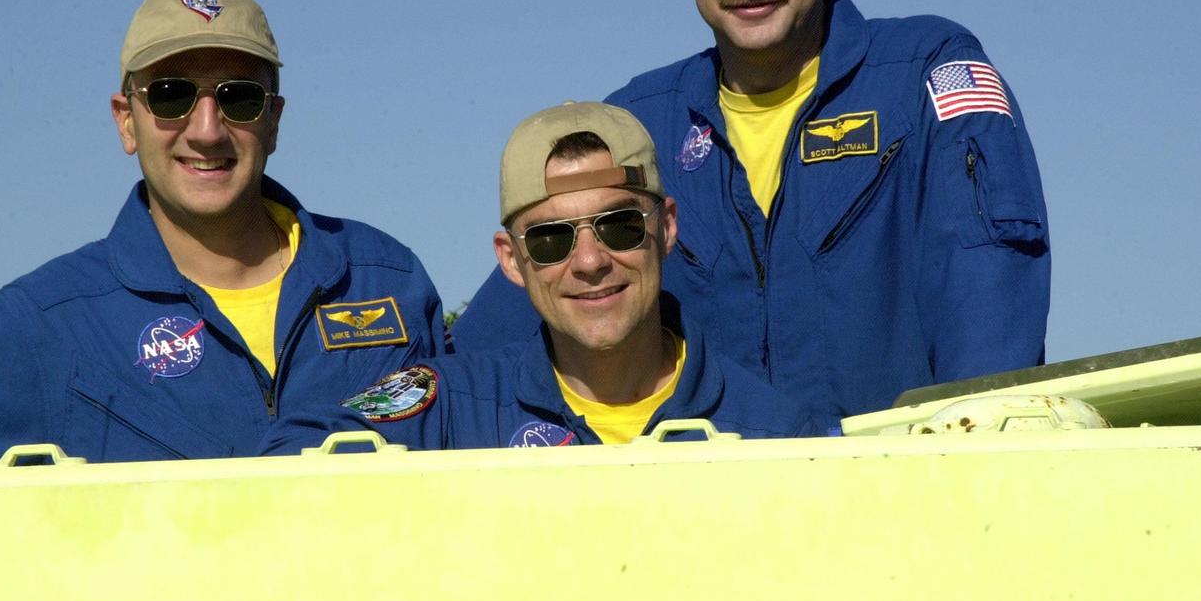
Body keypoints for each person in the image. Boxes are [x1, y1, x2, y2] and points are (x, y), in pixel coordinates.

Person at [449, 0, 1051, 434]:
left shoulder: (923, 77)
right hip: (712, 509)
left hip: (892, 493)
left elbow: (988, 315)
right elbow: (511, 319)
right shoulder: (642, 122)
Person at [0, 0, 444, 464]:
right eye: (170, 96)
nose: (207, 131)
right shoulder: (38, 324)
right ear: (125, 121)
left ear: (273, 121)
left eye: (240, 98)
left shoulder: (387, 281)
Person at [260, 102, 813, 452]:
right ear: (510, 260)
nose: (591, 261)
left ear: (666, 228)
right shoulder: (449, 406)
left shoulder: (778, 433)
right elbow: (284, 462)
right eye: (551, 240)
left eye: (619, 226)